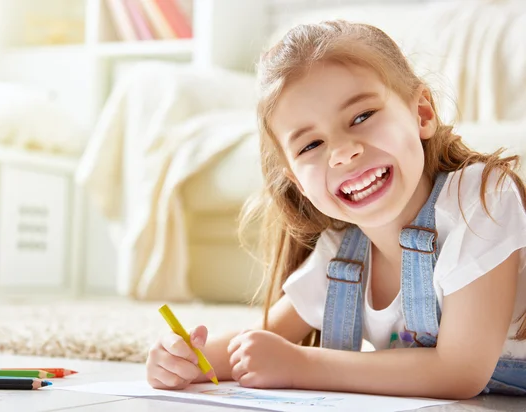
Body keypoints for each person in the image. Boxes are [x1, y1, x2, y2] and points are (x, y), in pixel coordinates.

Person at [146, 20, 526, 399]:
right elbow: (259, 344)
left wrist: (300, 365)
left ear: (422, 113)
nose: (344, 152)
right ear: (298, 182)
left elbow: (460, 372)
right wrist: (187, 358)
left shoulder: (479, 197)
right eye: (311, 145)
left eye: (362, 117)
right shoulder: (342, 253)